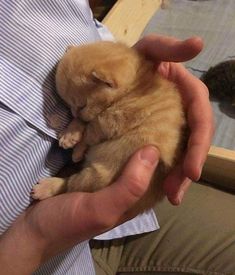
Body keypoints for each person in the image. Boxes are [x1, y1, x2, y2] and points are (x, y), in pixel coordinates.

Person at [1, 1, 233, 275]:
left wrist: (130, 55)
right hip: (57, 256)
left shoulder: (118, 100)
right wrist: (32, 241)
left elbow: (90, 33)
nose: (76, 112)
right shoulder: (110, 94)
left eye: (80, 107)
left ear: (110, 83)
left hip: (140, 208)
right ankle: (64, 185)